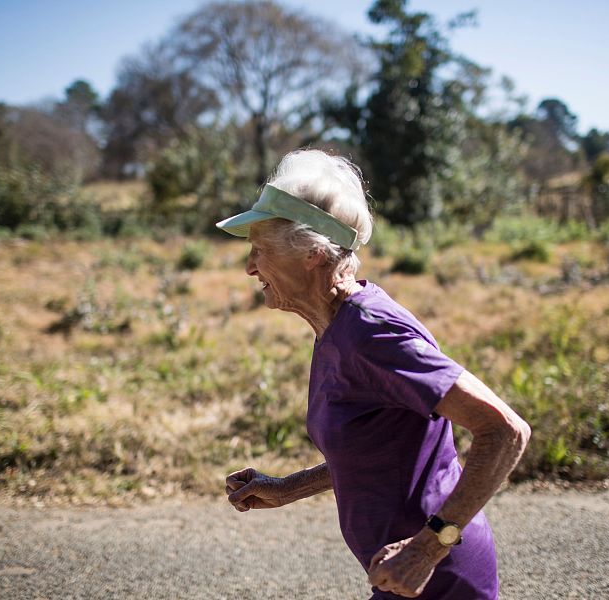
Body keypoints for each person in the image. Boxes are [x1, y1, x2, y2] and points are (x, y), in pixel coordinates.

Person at [217, 149, 531, 599]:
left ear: (310, 253)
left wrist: (427, 549)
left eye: (260, 250)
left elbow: (506, 430)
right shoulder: (335, 328)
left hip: (435, 577)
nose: (249, 266)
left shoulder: (371, 334)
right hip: (402, 574)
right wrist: (287, 488)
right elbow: (378, 449)